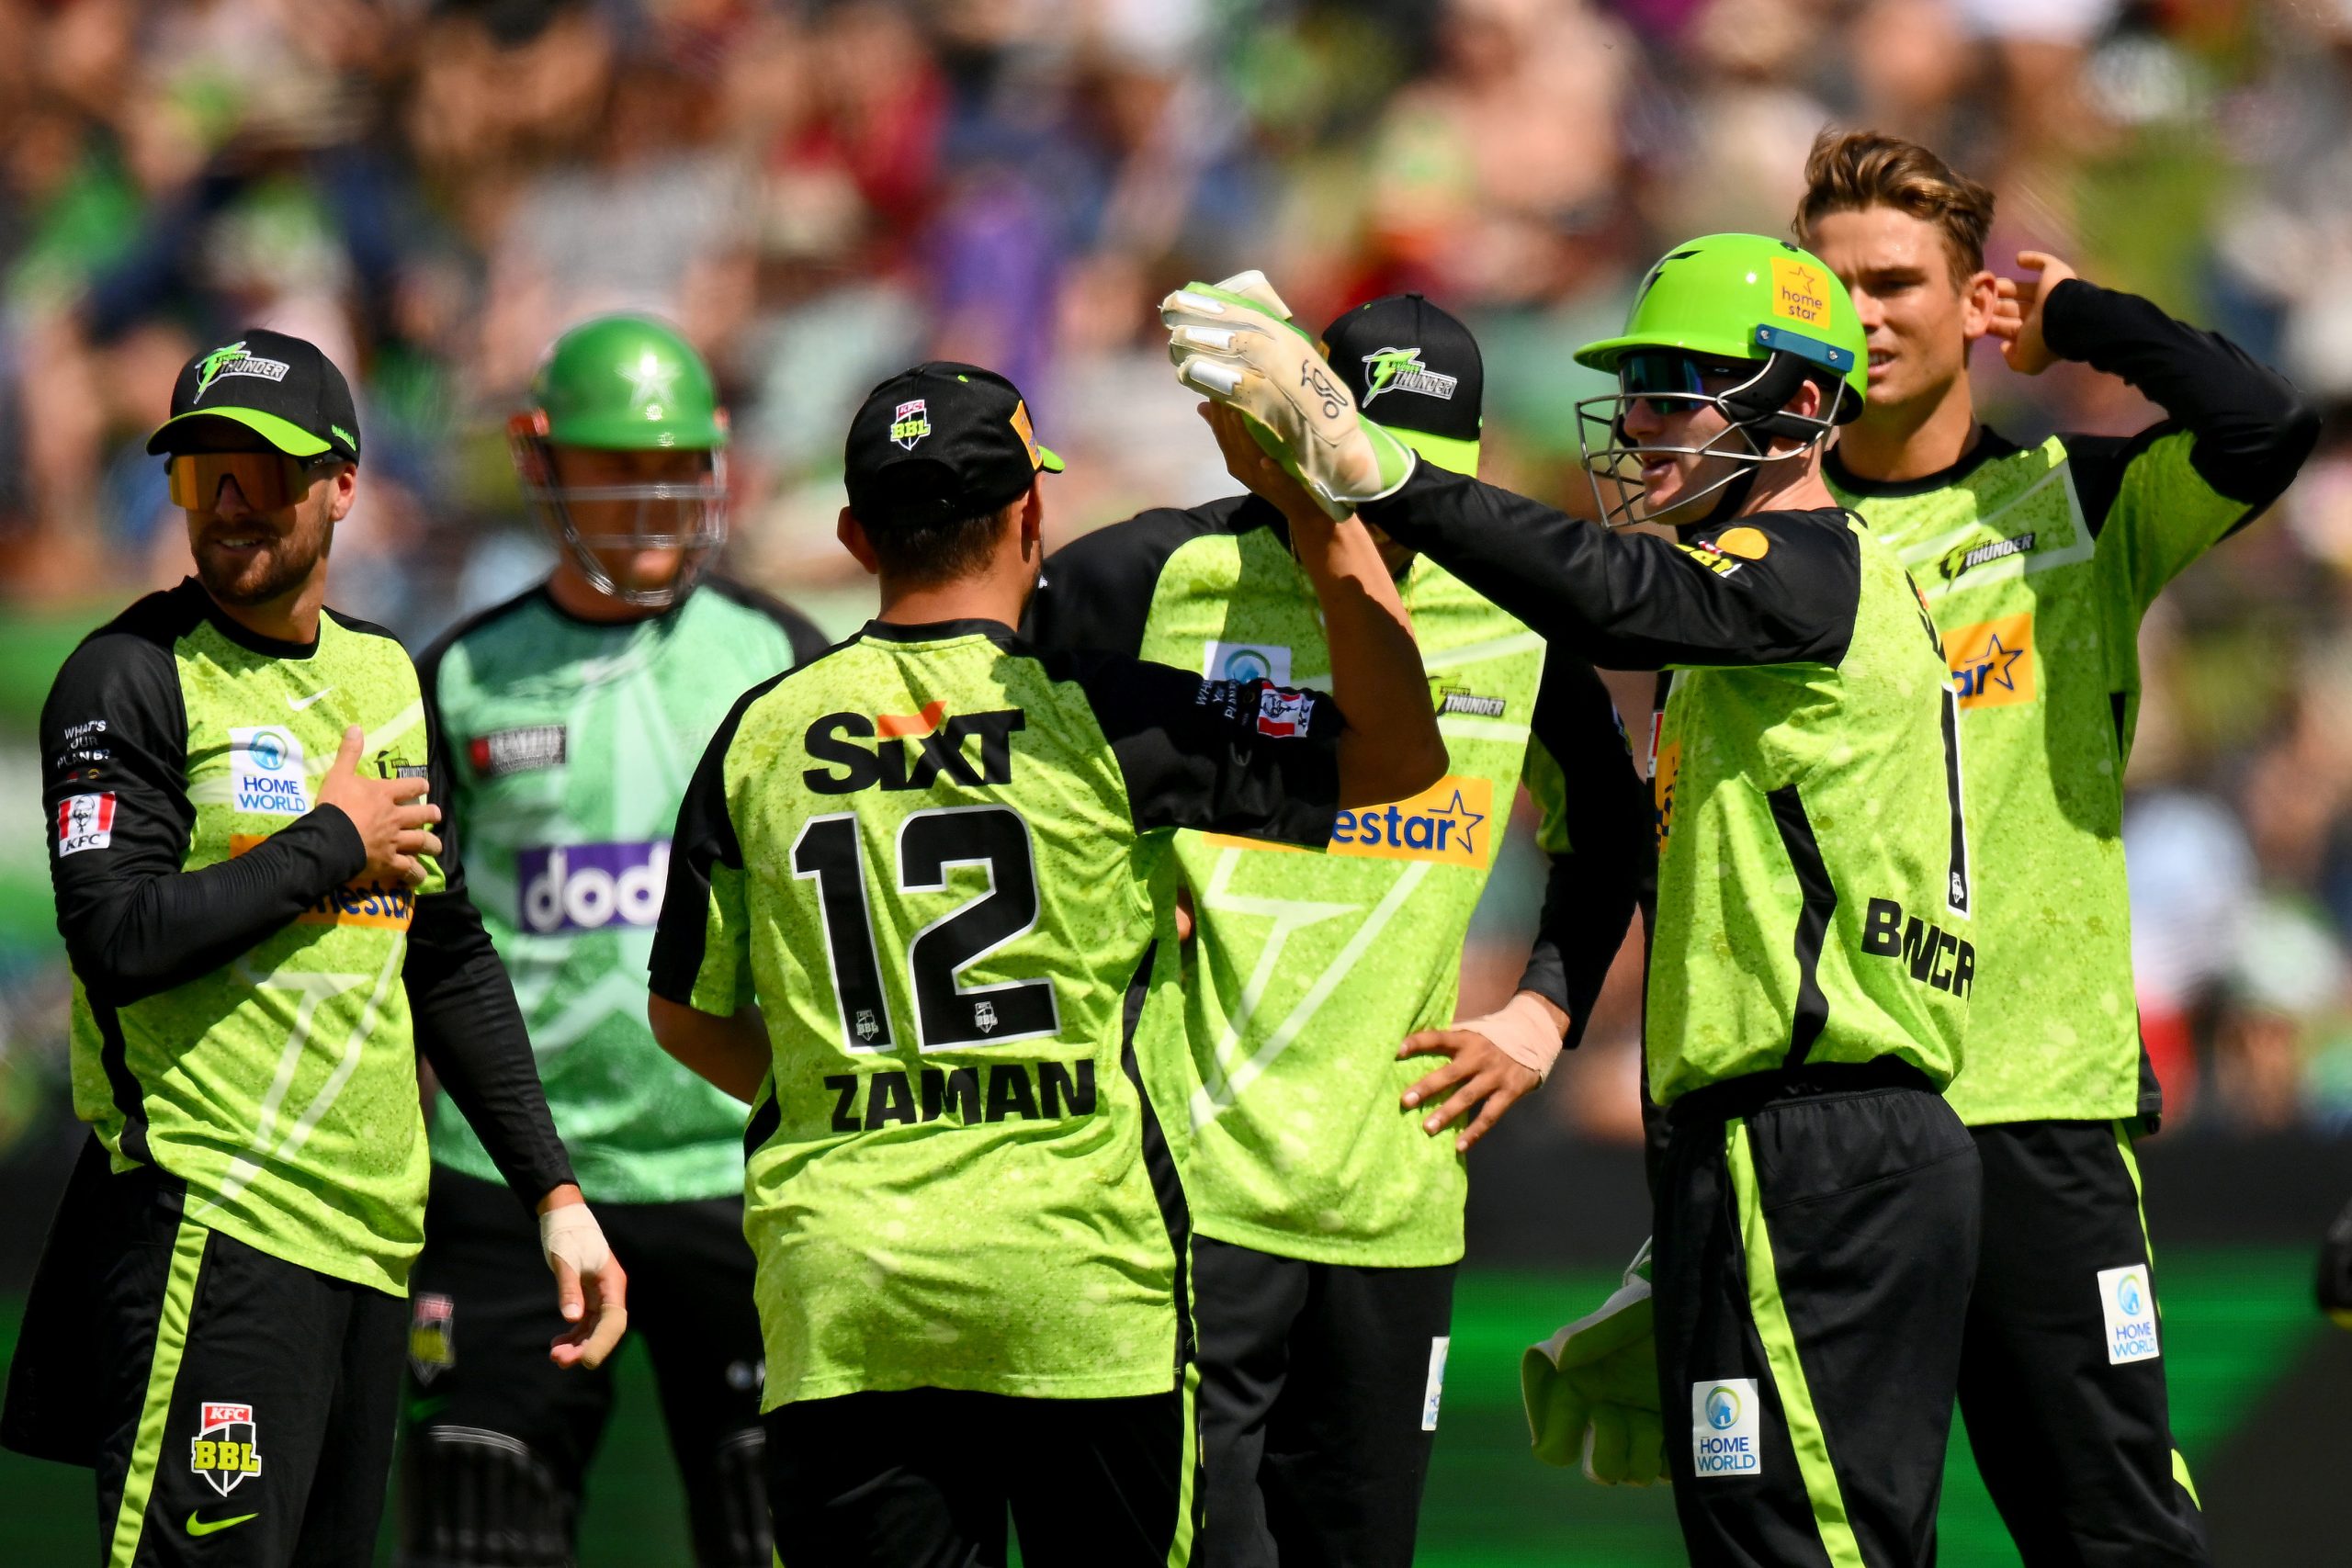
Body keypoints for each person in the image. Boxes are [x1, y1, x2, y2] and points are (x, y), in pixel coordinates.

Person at [1164, 243, 1978, 1567]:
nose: (1645, 423)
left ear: (1805, 403)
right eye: (1638, 388)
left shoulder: (1809, 566)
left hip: (1820, 1140)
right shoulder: (1783, 603)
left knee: (1810, 1548)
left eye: (1681, 389)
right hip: (1790, 1142)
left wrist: (1380, 471)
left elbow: (1615, 595)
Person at [645, 361, 1445, 1567]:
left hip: (848, 1290)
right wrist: (1323, 522)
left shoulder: (760, 731)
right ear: (1033, 516)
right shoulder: (1114, 711)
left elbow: (684, 1014)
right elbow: (1396, 758)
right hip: (1080, 1287)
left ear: (857, 532)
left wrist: (838, 1094)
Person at [1026, 288, 1648, 1568]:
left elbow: (1614, 838)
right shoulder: (1139, 578)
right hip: (1179, 1195)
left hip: (1398, 1202)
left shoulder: (1519, 628)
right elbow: (1005, 796)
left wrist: (1540, 1018)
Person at [1, 330, 628, 1568]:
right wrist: (330, 841)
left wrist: (553, 1190)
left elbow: (442, 951)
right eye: (200, 475)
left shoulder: (389, 677)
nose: (229, 503)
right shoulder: (126, 675)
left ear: (344, 485)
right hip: (210, 1224)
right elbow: (117, 938)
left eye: (264, 472)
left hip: (372, 1240)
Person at [1795, 128, 2319, 1567]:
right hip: (1840, 1120)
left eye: (1901, 279)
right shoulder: (1763, 543)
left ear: (1971, 305)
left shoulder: (2080, 510)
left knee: (2115, 1533)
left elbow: (2263, 428)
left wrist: (2081, 317)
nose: (1869, 313)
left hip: (2043, 1105)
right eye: (1836, 286)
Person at [397, 316, 830, 1568]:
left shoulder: (778, 660)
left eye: (678, 467)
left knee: (780, 1531)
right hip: (510, 1184)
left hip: (732, 1171)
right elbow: (414, 952)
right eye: (617, 467)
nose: (654, 500)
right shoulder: (460, 675)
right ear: (539, 467)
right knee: (479, 1523)